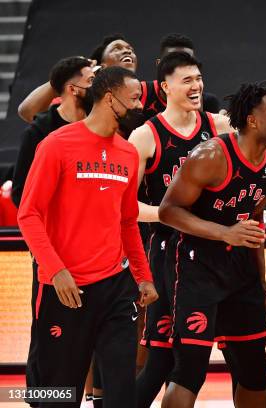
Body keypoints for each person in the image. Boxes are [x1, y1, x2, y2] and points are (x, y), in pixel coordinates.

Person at [17, 66, 158, 407]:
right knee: (57, 395)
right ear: (110, 98)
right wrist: (55, 269)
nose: (140, 106)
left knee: (122, 394)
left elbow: (127, 222)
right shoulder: (56, 145)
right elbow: (28, 214)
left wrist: (143, 276)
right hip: (66, 289)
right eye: (134, 99)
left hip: (116, 288)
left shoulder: (126, 152)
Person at [158, 80, 266, 408]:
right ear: (254, 121)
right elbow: (168, 211)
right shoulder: (211, 155)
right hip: (196, 266)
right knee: (190, 370)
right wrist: (224, 233)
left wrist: (261, 283)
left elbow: (255, 218)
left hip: (240, 270)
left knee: (254, 370)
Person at [129, 51, 231, 408]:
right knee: (167, 360)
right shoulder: (145, 136)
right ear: (166, 86)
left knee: (174, 361)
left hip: (217, 250)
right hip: (169, 251)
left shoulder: (218, 126)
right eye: (187, 80)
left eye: (199, 79)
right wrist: (169, 215)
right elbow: (124, 205)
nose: (196, 86)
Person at [11, 56, 94, 408]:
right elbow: (21, 197)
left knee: (91, 332)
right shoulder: (41, 130)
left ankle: (90, 395)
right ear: (74, 88)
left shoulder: (104, 128)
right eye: (92, 78)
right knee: (49, 331)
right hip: (53, 250)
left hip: (96, 250)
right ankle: (40, 398)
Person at [17, 34, 137, 123]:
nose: (127, 51)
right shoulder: (81, 99)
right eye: (117, 48)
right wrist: (63, 76)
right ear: (101, 66)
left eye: (130, 49)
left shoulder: (144, 94)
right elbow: (27, 112)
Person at [140, 33, 221, 120]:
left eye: (187, 60)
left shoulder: (207, 103)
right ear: (159, 64)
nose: (181, 66)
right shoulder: (140, 93)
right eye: (173, 60)